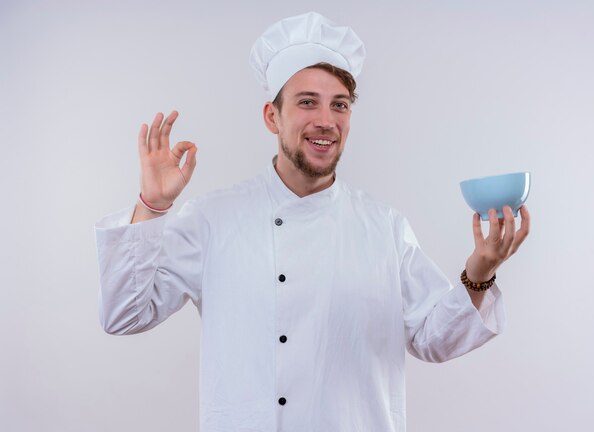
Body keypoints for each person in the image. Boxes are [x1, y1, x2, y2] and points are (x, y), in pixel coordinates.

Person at [95, 11, 530, 432]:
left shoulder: (384, 228)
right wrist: (151, 206)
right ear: (272, 116)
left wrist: (480, 272)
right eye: (307, 102)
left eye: (339, 105)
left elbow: (436, 340)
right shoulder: (213, 218)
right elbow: (124, 315)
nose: (326, 121)